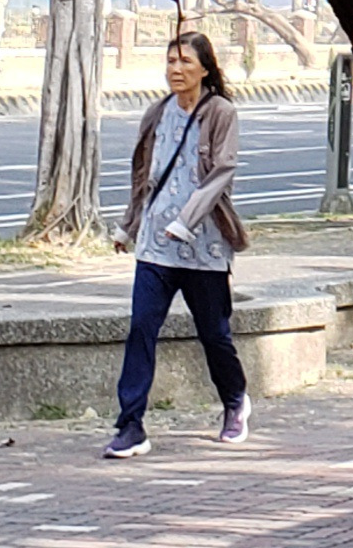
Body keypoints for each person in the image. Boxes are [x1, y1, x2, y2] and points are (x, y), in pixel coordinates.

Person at [104, 30, 251, 459]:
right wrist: (129, 224)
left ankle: (235, 401)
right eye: (171, 61)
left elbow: (222, 171)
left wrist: (187, 221)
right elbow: (145, 174)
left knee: (214, 335)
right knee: (141, 329)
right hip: (154, 246)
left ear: (205, 67)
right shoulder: (157, 112)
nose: (176, 70)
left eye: (185, 61)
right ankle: (130, 425)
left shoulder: (220, 112)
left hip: (203, 248)